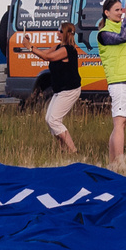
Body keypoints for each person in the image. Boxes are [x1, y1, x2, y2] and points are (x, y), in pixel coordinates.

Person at [92, 0, 126, 165]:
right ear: (106, 13)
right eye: (117, 10)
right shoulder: (104, 33)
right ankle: (119, 162)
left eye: (121, 9)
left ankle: (113, 162)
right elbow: (121, 38)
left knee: (121, 123)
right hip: (118, 80)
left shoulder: (123, 27)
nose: (121, 12)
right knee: (119, 123)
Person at [33, 14, 85, 157]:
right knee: (49, 120)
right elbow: (44, 53)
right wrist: (31, 46)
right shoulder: (58, 46)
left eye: (60, 31)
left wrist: (31, 47)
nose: (57, 33)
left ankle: (74, 151)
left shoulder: (67, 50)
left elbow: (47, 57)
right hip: (60, 90)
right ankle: (64, 150)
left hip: (69, 90)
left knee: (53, 120)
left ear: (66, 34)